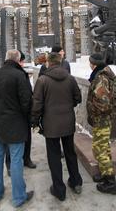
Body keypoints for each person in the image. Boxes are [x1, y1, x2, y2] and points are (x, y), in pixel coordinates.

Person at [32, 52, 82, 202]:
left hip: (50, 124)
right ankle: (76, 182)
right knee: (70, 153)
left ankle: (59, 190)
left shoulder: (42, 80)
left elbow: (37, 104)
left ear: (48, 63)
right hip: (67, 122)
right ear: (60, 62)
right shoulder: (70, 78)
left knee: (54, 156)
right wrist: (67, 107)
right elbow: (77, 98)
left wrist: (34, 121)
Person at [0, 49, 34, 208]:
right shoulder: (19, 75)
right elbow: (26, 102)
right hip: (15, 124)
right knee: (16, 160)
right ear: (17, 60)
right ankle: (18, 197)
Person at [87, 53, 116, 195]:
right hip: (103, 120)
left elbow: (104, 104)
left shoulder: (101, 78)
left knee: (99, 149)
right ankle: (105, 172)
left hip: (102, 120)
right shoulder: (102, 75)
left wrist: (92, 109)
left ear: (93, 64)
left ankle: (110, 182)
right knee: (104, 148)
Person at [5, 51, 36, 175]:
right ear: (18, 61)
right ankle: (10, 164)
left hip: (22, 114)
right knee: (10, 141)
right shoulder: (12, 74)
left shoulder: (22, 74)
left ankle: (26, 159)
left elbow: (27, 94)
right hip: (14, 114)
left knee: (27, 137)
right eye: (22, 61)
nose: (23, 64)